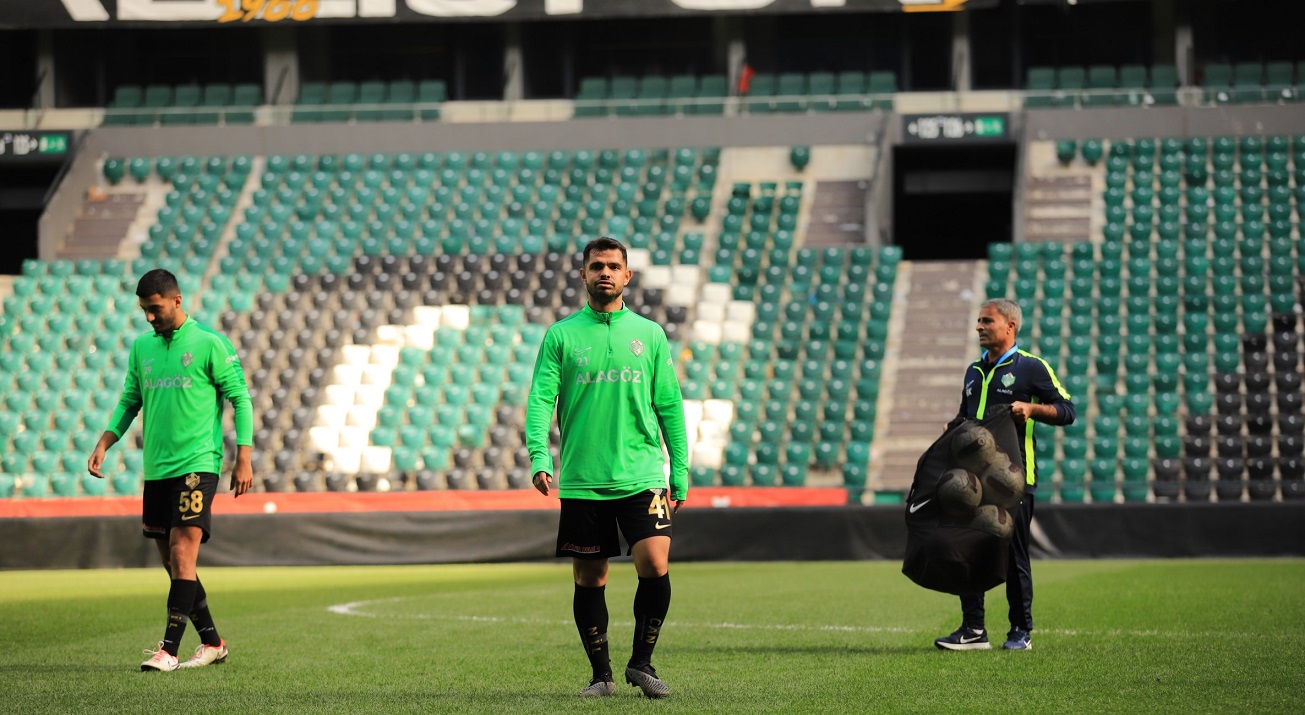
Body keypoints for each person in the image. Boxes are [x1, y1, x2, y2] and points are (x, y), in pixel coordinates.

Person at [525, 236, 689, 698]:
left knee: (655, 562)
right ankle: (601, 676)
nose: (605, 273)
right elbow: (540, 401)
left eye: (614, 266)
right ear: (583, 274)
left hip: (644, 474)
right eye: (597, 266)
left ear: (627, 276)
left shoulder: (651, 335)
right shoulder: (561, 335)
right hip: (583, 477)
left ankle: (642, 663)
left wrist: (680, 470)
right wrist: (540, 455)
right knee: (590, 578)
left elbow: (670, 407)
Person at [87, 269, 254, 671]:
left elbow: (241, 399)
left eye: (155, 308)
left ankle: (169, 651)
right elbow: (130, 400)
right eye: (144, 310)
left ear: (176, 300)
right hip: (157, 469)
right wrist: (105, 441)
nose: (149, 317)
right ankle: (213, 642)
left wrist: (244, 457)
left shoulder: (209, 343)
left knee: (182, 552)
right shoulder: (142, 347)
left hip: (198, 464)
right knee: (173, 563)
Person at [934, 298, 1075, 652]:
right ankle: (973, 629)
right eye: (978, 321)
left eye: (987, 321)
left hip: (1013, 479)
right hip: (971, 481)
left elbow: (1067, 410)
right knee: (965, 551)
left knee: (1013, 555)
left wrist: (1032, 408)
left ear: (1010, 326)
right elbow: (965, 418)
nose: (979, 327)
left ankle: (1020, 631)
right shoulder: (972, 370)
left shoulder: (1031, 368)